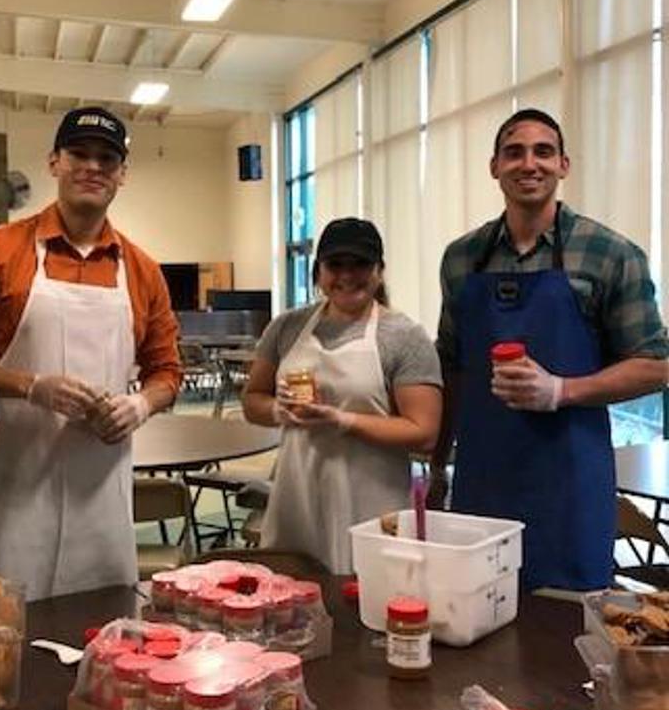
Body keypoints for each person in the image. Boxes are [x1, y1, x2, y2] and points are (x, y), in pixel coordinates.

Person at [0, 106, 182, 600]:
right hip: (14, 489)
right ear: (54, 163)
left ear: (122, 175)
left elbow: (167, 370)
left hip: (102, 495)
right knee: (8, 636)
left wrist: (140, 405)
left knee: (104, 634)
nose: (92, 167)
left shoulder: (143, 271)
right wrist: (30, 386)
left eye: (106, 159)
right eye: (79, 154)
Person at [431, 108, 669, 590]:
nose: (529, 163)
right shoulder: (461, 259)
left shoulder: (609, 254)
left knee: (565, 630)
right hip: (482, 480)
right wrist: (437, 466)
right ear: (494, 166)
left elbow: (655, 366)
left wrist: (561, 389)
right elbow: (452, 367)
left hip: (570, 480)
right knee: (477, 610)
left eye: (543, 151)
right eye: (514, 152)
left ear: (564, 165)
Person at [242, 218, 442, 573]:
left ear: (379, 271)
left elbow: (424, 432)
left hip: (372, 502)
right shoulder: (286, 328)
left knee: (368, 600)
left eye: (360, 264)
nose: (347, 276)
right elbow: (252, 401)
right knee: (294, 602)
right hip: (297, 498)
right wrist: (279, 411)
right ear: (318, 272)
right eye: (335, 265)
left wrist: (342, 420)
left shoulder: (404, 337)